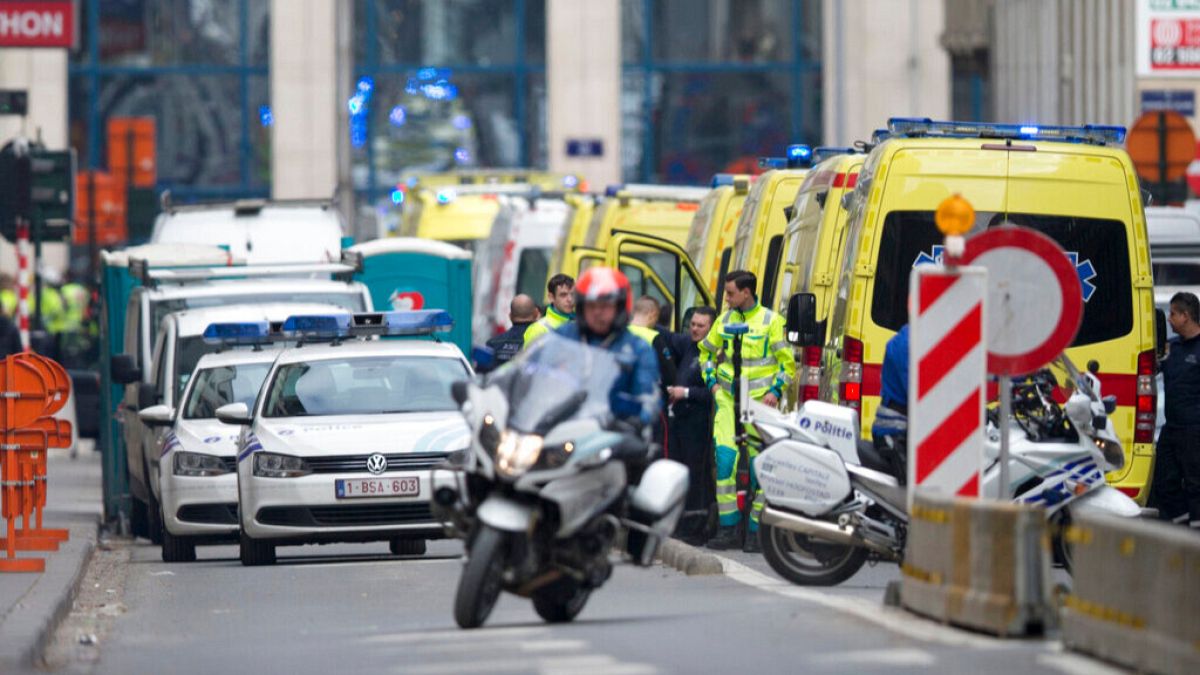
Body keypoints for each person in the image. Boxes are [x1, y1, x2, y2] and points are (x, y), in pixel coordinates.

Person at [698, 271, 795, 552]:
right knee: (725, 462)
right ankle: (728, 528)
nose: (726, 299)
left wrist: (775, 392)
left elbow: (787, 365)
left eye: (730, 293)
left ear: (746, 292)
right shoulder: (725, 320)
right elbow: (705, 354)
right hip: (729, 402)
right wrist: (712, 384)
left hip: (759, 406)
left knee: (762, 469)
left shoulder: (771, 322)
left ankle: (756, 531)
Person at [556, 268, 659, 429]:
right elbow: (533, 370)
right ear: (582, 307)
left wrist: (635, 418)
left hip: (612, 434)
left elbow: (649, 398)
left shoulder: (637, 348)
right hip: (563, 427)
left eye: (605, 306)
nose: (597, 312)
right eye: (591, 305)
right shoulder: (562, 336)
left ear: (620, 306)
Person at [666, 306, 717, 544]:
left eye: (700, 326)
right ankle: (682, 522)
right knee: (679, 474)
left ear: (711, 328)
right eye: (693, 324)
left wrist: (684, 392)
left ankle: (697, 527)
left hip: (699, 422)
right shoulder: (688, 345)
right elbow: (664, 338)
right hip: (679, 420)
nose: (694, 329)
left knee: (697, 476)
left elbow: (713, 393)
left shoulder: (715, 354)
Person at [1152, 291, 1200, 529]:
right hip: (1171, 430)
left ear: (1186, 316)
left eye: (1172, 314)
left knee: (1195, 484)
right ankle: (1182, 525)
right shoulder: (1171, 348)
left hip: (1194, 430)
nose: (1169, 319)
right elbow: (1151, 367)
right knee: (1163, 480)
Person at [871, 323, 910, 480]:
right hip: (895, 431)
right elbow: (922, 395)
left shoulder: (914, 336)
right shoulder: (910, 342)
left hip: (900, 430)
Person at [482, 294, 540, 371]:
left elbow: (483, 375)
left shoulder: (493, 343)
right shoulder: (541, 343)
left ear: (510, 316)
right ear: (536, 314)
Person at [523, 274, 575, 347]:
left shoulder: (581, 325)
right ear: (551, 297)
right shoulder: (538, 329)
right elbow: (531, 358)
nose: (570, 299)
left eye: (573, 294)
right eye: (563, 295)